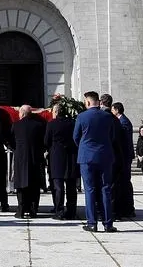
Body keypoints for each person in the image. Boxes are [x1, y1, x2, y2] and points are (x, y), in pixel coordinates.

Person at [73, 91, 118, 233]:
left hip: (87, 157)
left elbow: (76, 137)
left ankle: (92, 223)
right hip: (105, 156)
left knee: (90, 190)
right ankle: (108, 224)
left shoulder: (81, 117)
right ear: (98, 101)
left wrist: (84, 147)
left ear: (87, 102)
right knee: (106, 189)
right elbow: (112, 136)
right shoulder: (108, 117)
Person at [9, 105, 47, 219]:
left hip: (20, 158)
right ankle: (33, 209)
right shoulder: (39, 125)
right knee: (34, 185)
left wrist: (16, 150)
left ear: (22, 113)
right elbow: (44, 142)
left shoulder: (15, 125)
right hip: (35, 158)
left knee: (21, 185)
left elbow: (10, 141)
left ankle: (21, 210)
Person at [44, 102, 78, 220]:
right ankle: (72, 211)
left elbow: (46, 141)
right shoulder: (72, 123)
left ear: (56, 112)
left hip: (56, 158)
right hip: (71, 157)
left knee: (58, 187)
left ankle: (59, 210)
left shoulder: (51, 124)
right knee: (71, 186)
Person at [110, 102, 135, 218]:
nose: (111, 112)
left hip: (124, 156)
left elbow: (123, 141)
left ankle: (128, 209)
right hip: (124, 155)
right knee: (123, 182)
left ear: (116, 110)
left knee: (125, 182)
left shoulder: (123, 122)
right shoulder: (123, 120)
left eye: (112, 109)